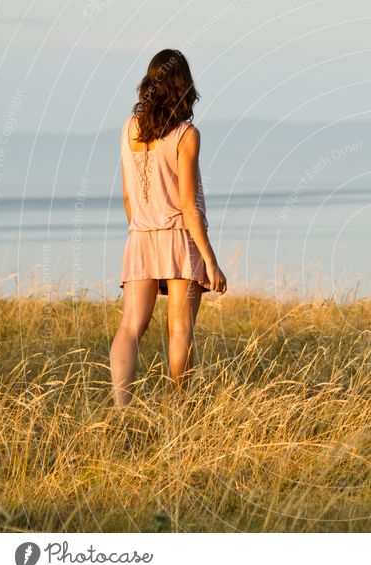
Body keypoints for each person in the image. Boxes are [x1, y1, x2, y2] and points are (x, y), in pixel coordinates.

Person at [110, 48, 227, 408]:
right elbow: (188, 205)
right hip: (179, 237)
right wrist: (210, 260)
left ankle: (121, 410)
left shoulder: (130, 129)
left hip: (140, 236)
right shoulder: (187, 134)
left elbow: (129, 196)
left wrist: (141, 228)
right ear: (184, 86)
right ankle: (179, 409)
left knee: (130, 328)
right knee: (180, 331)